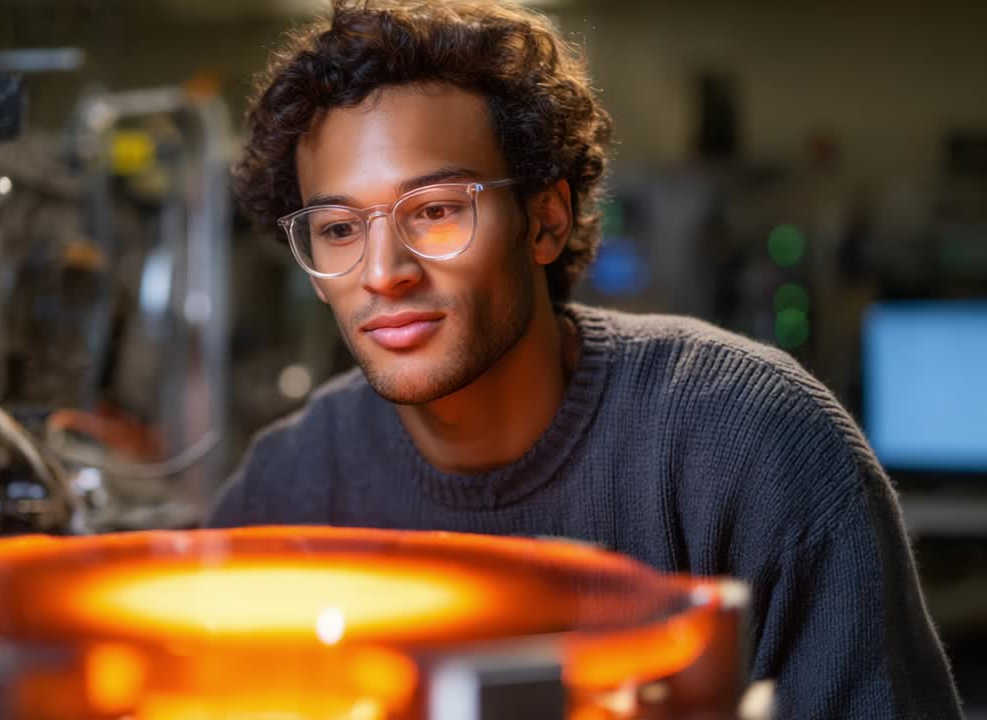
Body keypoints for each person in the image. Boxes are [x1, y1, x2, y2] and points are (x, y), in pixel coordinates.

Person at [208, 1, 961, 716]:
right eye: (339, 229)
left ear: (546, 219)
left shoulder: (757, 448)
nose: (382, 272)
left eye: (436, 211)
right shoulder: (290, 491)